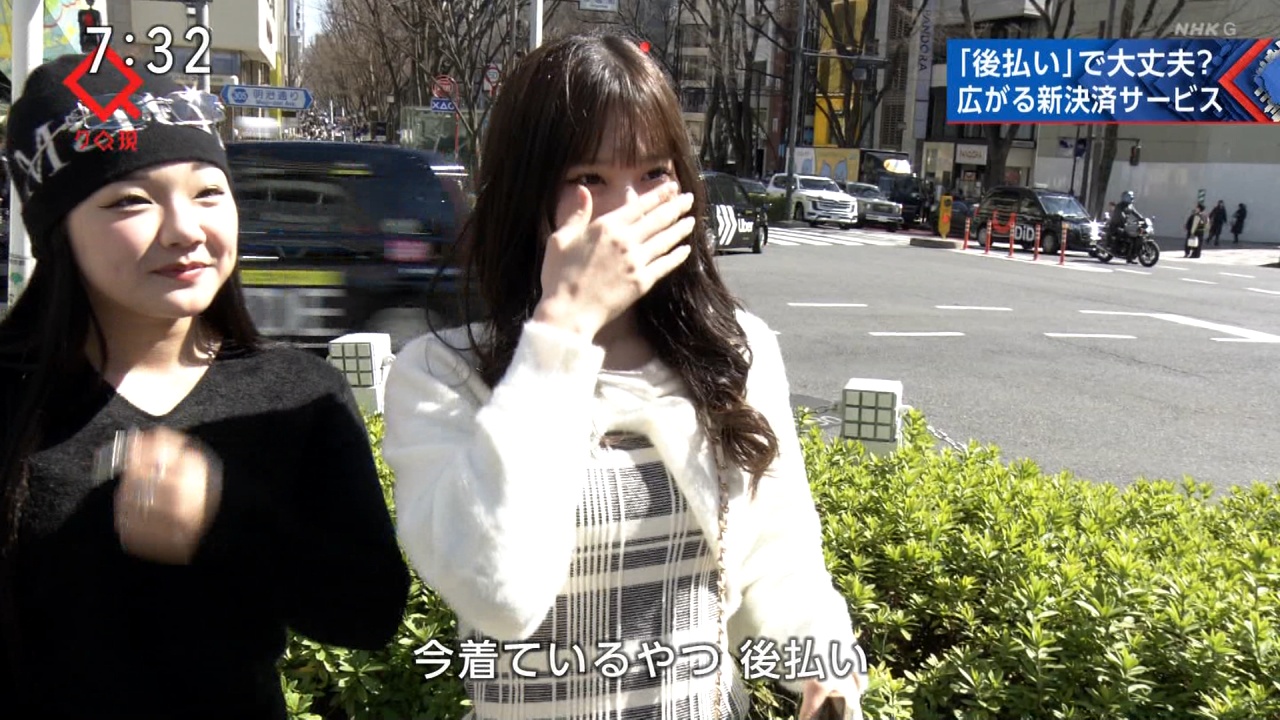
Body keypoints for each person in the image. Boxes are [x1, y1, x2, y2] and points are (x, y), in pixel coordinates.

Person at [383, 34, 866, 720]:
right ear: (528, 192)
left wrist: (826, 675)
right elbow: (498, 594)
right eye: (590, 178)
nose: (627, 212)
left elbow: (779, 561)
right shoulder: (442, 375)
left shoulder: (735, 352)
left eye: (653, 174)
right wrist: (564, 326)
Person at [0, 55, 410, 719]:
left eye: (208, 193)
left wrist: (222, 521)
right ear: (56, 231)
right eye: (131, 201)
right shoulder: (13, 397)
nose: (185, 230)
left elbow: (370, 611)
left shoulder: (298, 395)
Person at [1106, 190, 1145, 262]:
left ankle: (1131, 255)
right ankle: (1114, 249)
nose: (1131, 198)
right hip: (1116, 226)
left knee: (1134, 237)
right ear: (1125, 197)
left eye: (1132, 197)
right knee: (1125, 235)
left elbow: (1136, 213)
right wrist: (1126, 221)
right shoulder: (1119, 206)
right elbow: (1121, 215)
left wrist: (1142, 219)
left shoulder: (1130, 206)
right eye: (1129, 197)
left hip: (1124, 225)